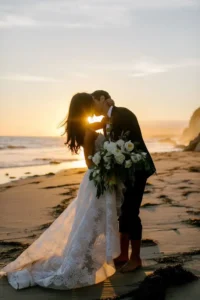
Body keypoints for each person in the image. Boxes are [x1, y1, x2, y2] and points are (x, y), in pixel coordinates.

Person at [0, 93, 121, 290]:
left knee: (91, 220)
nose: (93, 107)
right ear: (84, 107)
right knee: (92, 221)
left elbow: (107, 123)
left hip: (95, 180)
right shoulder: (88, 131)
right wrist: (105, 167)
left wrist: (108, 111)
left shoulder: (85, 127)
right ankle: (82, 262)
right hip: (97, 179)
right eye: (90, 104)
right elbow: (90, 162)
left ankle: (88, 260)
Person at [90, 90, 156, 272]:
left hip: (137, 169)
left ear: (102, 99)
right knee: (123, 211)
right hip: (124, 171)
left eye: (92, 101)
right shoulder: (108, 120)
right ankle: (123, 255)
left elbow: (127, 143)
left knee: (131, 211)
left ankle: (136, 258)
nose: (91, 106)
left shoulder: (123, 113)